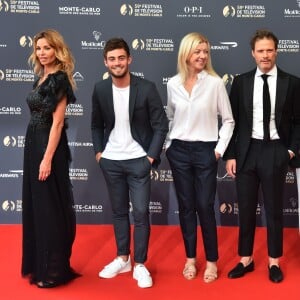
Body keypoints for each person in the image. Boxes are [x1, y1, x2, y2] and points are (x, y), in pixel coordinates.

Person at [91, 37, 168, 288]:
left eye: (121, 58)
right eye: (111, 59)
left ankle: (141, 264)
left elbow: (160, 125)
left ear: (129, 59)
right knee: (119, 211)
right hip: (111, 160)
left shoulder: (146, 88)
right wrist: (99, 153)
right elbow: (96, 124)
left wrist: (150, 157)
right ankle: (123, 258)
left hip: (139, 160)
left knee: (142, 212)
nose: (117, 63)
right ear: (105, 62)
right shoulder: (100, 89)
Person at [224, 29, 300, 283]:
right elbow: (231, 121)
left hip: (276, 150)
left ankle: (274, 261)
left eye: (269, 50)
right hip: (246, 152)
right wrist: (231, 154)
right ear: (252, 53)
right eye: (260, 51)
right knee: (245, 209)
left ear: (276, 51)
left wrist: (289, 151)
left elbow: (299, 122)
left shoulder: (292, 82)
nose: (265, 55)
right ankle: (245, 258)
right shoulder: (241, 82)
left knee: (274, 210)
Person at [165, 32, 234, 282]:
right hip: (179, 152)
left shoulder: (215, 83)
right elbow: (171, 118)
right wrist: (169, 145)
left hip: (206, 151)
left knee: (205, 206)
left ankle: (212, 262)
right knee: (186, 208)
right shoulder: (172, 84)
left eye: (205, 51)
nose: (203, 56)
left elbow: (228, 120)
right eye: (198, 51)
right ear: (186, 54)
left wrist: (218, 149)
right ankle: (191, 259)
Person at [22, 29, 79, 288]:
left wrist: (46, 159)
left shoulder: (59, 80)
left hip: (49, 148)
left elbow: (57, 124)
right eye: (39, 49)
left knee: (50, 208)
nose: (42, 53)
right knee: (38, 207)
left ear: (57, 49)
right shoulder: (41, 77)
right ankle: (40, 265)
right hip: (33, 144)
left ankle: (54, 270)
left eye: (47, 48)